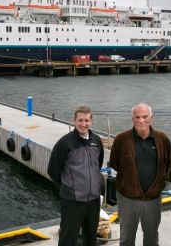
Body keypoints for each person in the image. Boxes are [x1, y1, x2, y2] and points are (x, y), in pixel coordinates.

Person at [109, 103, 171, 246]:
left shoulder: (163, 139)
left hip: (153, 199)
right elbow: (114, 163)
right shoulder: (121, 139)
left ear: (151, 118)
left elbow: (167, 164)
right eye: (137, 117)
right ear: (133, 119)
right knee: (126, 239)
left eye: (145, 117)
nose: (141, 120)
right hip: (127, 198)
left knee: (151, 238)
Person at [47, 105, 104, 246]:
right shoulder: (65, 142)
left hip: (93, 199)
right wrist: (68, 186)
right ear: (74, 121)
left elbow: (98, 164)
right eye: (80, 120)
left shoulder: (96, 141)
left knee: (91, 237)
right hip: (72, 200)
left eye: (86, 120)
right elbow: (52, 170)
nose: (83, 124)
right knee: (68, 236)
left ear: (91, 122)